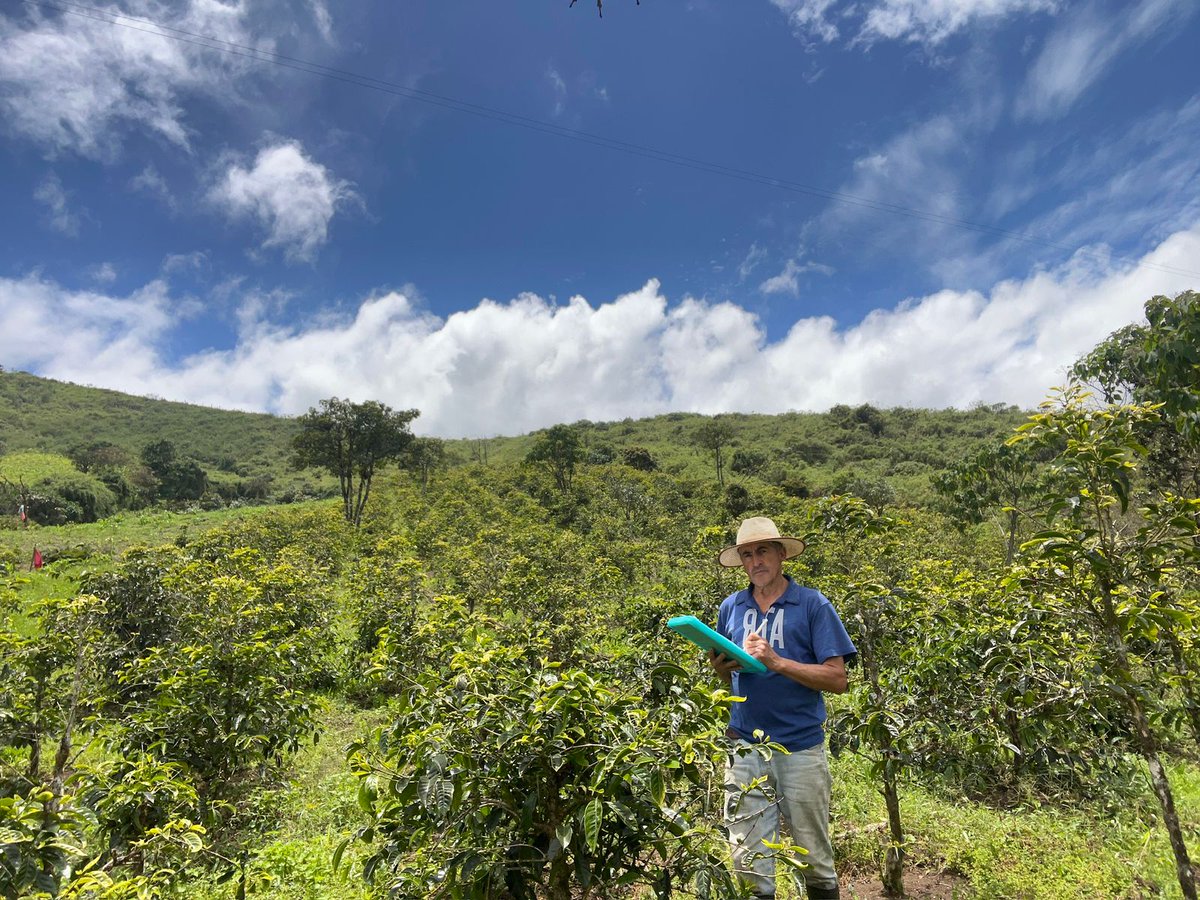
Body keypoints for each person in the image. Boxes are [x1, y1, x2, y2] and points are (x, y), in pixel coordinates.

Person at [709, 516, 856, 900]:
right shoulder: (732, 607)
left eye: (762, 552)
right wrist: (721, 669)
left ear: (780, 555)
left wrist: (777, 662)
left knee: (813, 854)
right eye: (747, 554)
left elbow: (837, 679)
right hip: (744, 748)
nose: (755, 561)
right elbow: (733, 680)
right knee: (748, 859)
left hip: (800, 748)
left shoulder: (812, 604)